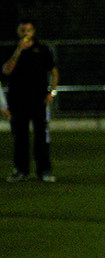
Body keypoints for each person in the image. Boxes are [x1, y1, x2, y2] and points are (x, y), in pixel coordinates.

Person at [3, 20, 58, 182]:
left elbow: (54, 73)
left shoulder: (42, 49)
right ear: (18, 32)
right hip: (17, 101)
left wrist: (52, 93)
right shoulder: (11, 49)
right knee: (20, 137)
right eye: (22, 30)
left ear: (33, 32)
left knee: (41, 136)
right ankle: (21, 171)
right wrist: (19, 51)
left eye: (28, 30)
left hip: (39, 101)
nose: (25, 33)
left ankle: (44, 171)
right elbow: (6, 71)